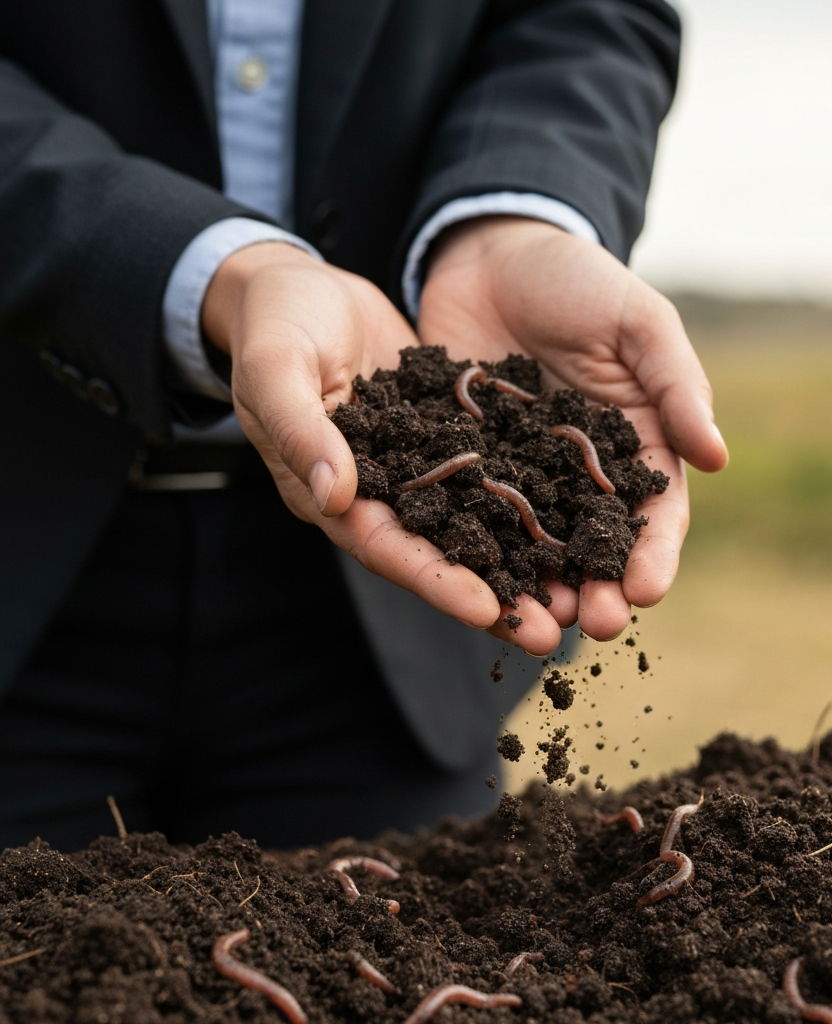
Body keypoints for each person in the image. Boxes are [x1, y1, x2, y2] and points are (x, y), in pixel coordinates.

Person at [0, 0, 727, 851]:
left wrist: (517, 217)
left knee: (371, 951)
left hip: (378, 643)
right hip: (26, 559)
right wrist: (223, 274)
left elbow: (585, 18)